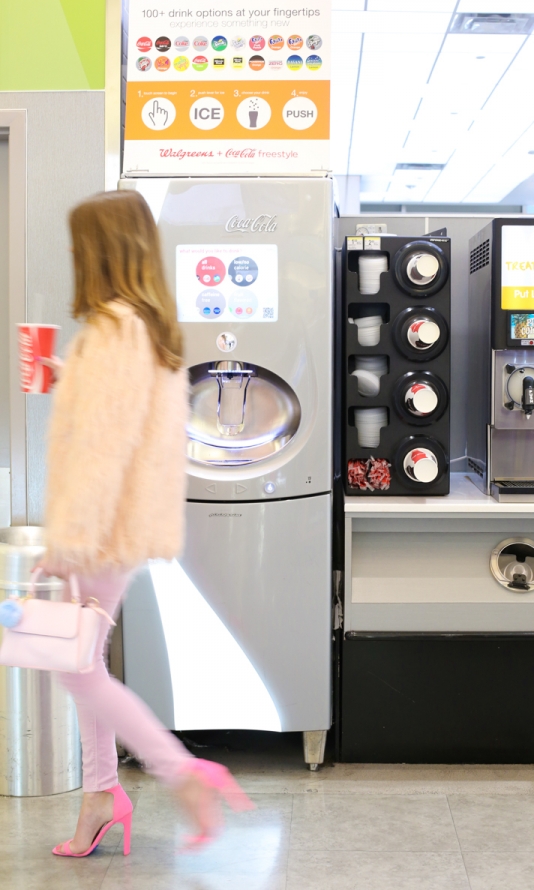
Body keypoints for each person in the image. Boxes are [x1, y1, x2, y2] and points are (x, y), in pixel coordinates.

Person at [40, 190, 253, 858]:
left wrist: (66, 544)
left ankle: (177, 770)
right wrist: (66, 377)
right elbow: (123, 422)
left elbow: (101, 451)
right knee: (81, 661)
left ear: (99, 251)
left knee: (76, 668)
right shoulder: (145, 327)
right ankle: (103, 795)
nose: (74, 257)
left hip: (99, 529)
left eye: (80, 246)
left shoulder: (112, 329)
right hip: (123, 525)